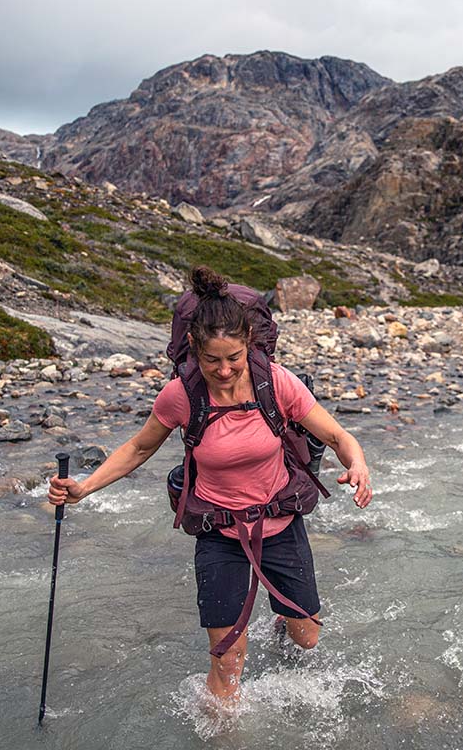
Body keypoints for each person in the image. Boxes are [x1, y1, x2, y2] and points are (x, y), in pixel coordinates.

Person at [47, 265, 373, 702]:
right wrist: (84, 488)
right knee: (227, 659)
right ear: (195, 351)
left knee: (307, 638)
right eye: (211, 360)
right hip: (219, 534)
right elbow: (138, 449)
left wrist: (358, 465)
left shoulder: (275, 383)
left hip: (280, 525)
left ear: (249, 347)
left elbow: (337, 435)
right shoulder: (182, 394)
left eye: (234, 359)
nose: (223, 370)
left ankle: (283, 619)